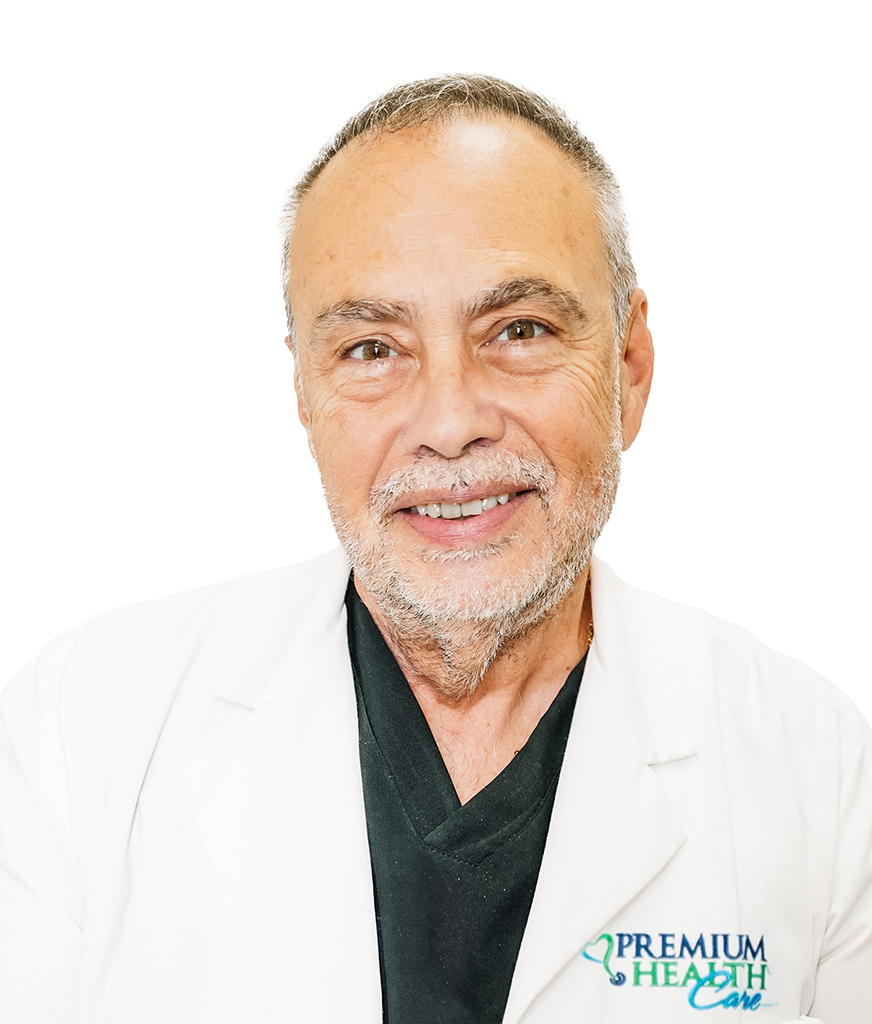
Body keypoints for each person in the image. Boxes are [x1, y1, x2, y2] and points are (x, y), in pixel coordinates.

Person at [1, 75, 869, 1024]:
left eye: (521, 330)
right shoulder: (80, 733)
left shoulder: (823, 779)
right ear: (303, 392)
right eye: (373, 349)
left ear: (629, 369)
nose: (450, 424)